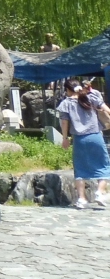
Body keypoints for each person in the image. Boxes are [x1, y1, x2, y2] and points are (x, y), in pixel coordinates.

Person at [58, 78, 110, 210]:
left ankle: (81, 199)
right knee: (104, 165)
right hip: (95, 136)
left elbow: (64, 122)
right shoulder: (90, 97)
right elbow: (106, 109)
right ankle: (100, 192)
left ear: (68, 90)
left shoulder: (66, 103)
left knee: (80, 169)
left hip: (79, 139)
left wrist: (65, 138)